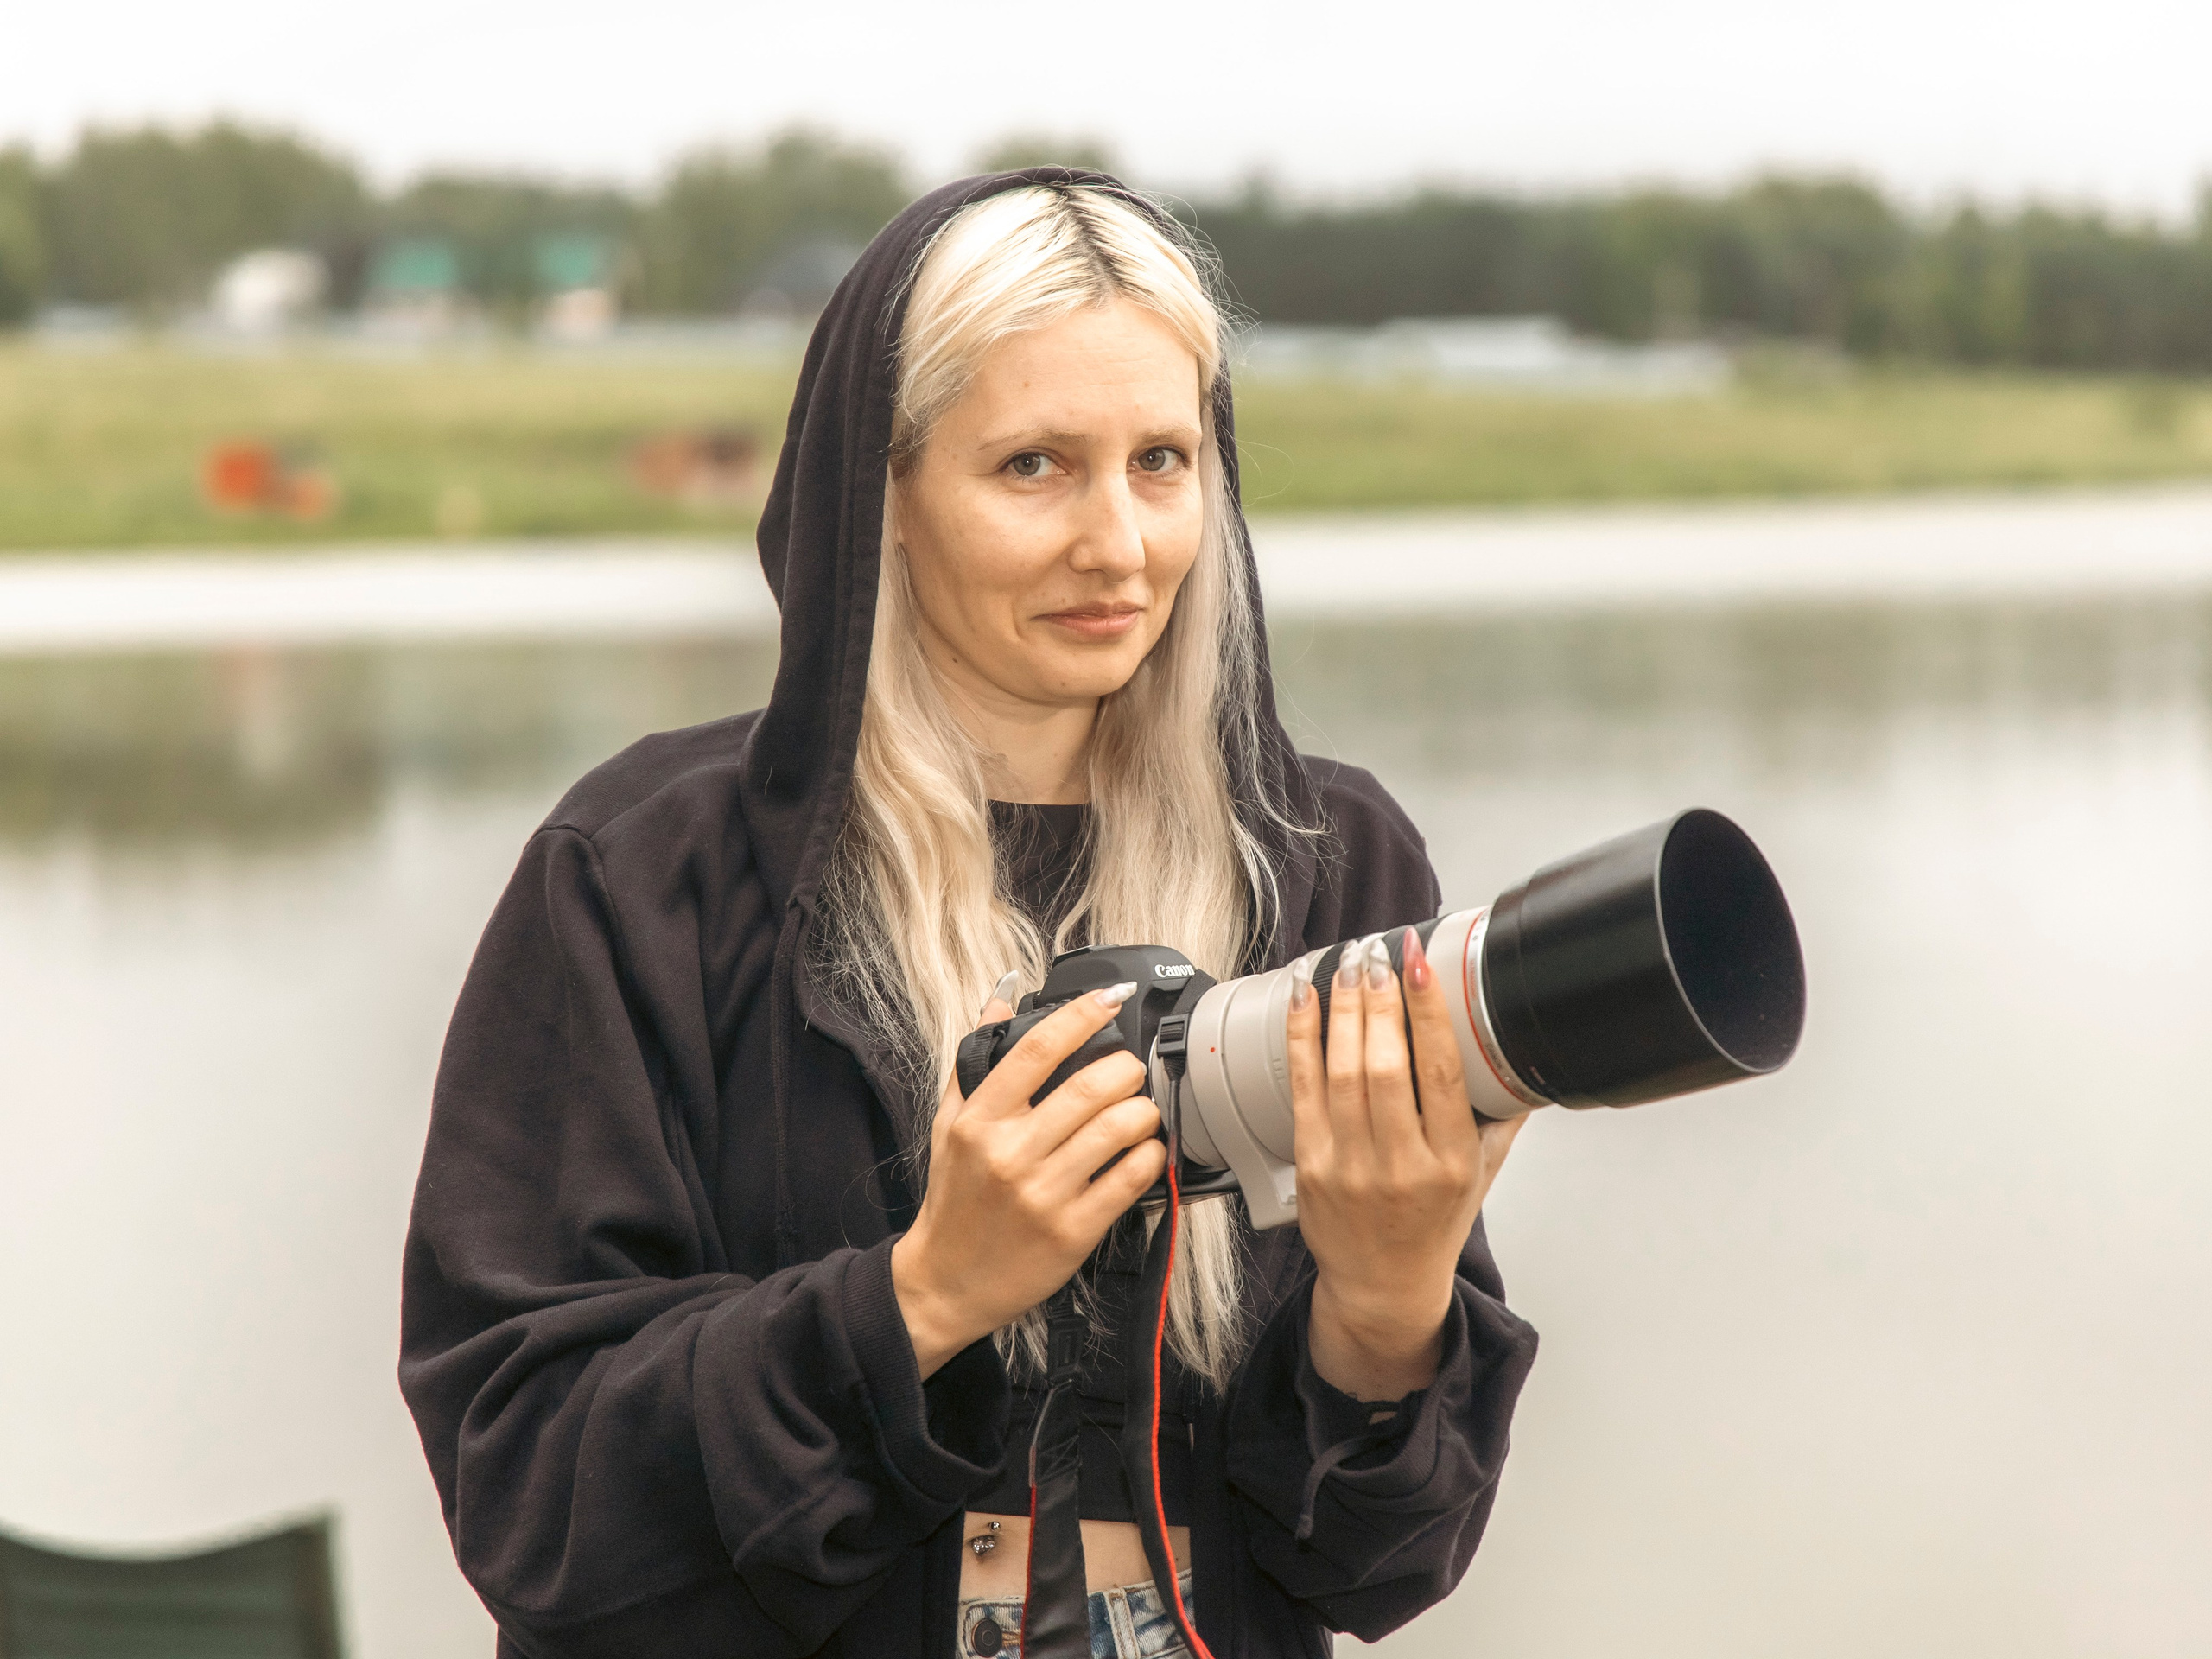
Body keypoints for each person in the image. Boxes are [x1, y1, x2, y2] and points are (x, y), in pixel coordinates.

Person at [399, 168, 1538, 1659]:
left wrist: (1390, 1306)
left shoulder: (1322, 869)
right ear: (880, 493)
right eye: (1033, 467)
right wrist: (923, 1296)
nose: (1119, 544)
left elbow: (1374, 1574)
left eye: (1160, 461)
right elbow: (529, 1496)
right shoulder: (642, 880)